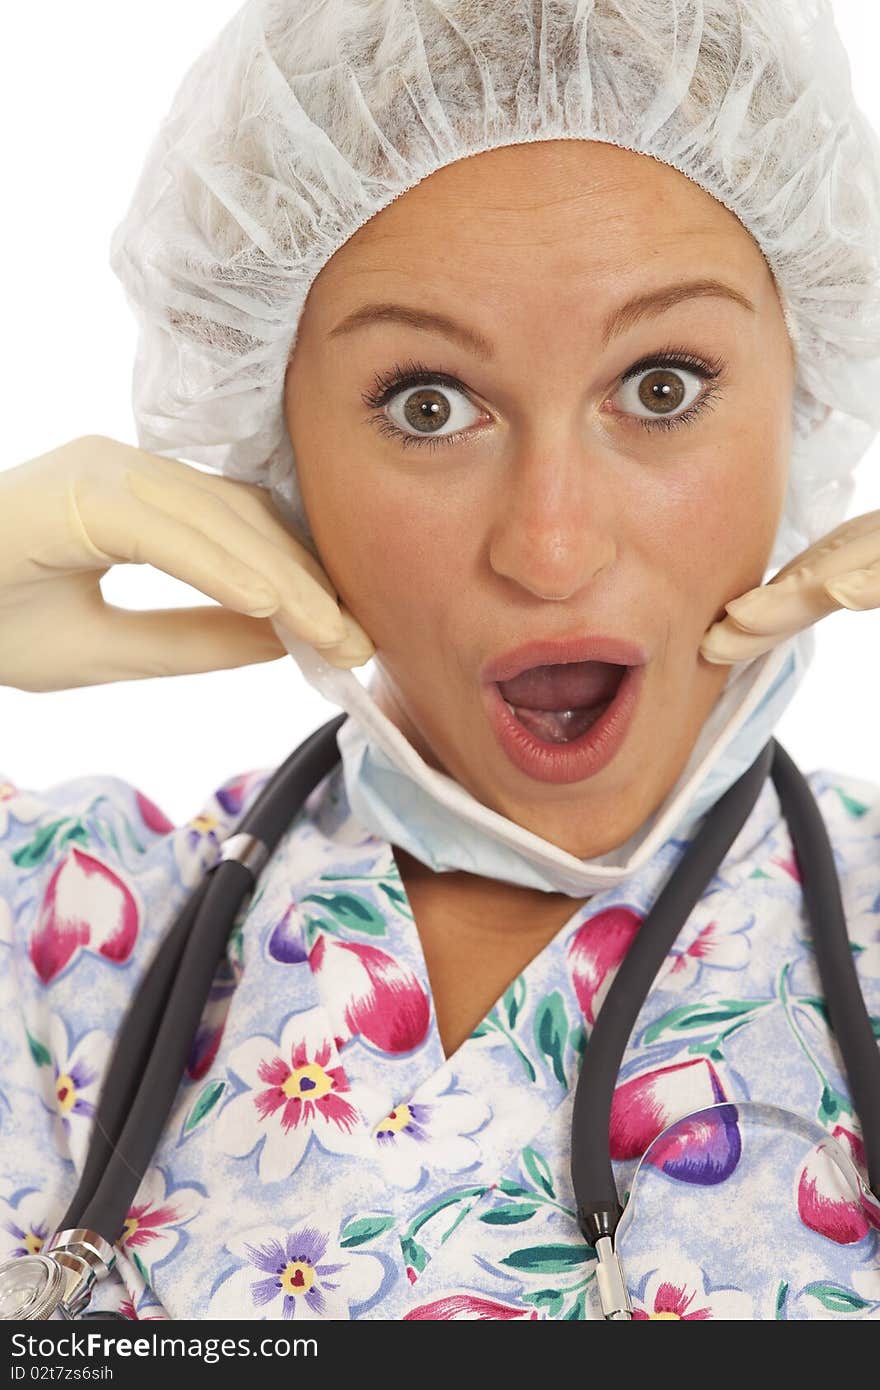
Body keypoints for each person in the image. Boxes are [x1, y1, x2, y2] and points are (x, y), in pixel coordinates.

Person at [1, 0, 879, 1322]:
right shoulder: (67, 938)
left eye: (661, 385)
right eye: (428, 405)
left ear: (804, 396)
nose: (550, 547)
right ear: (278, 455)